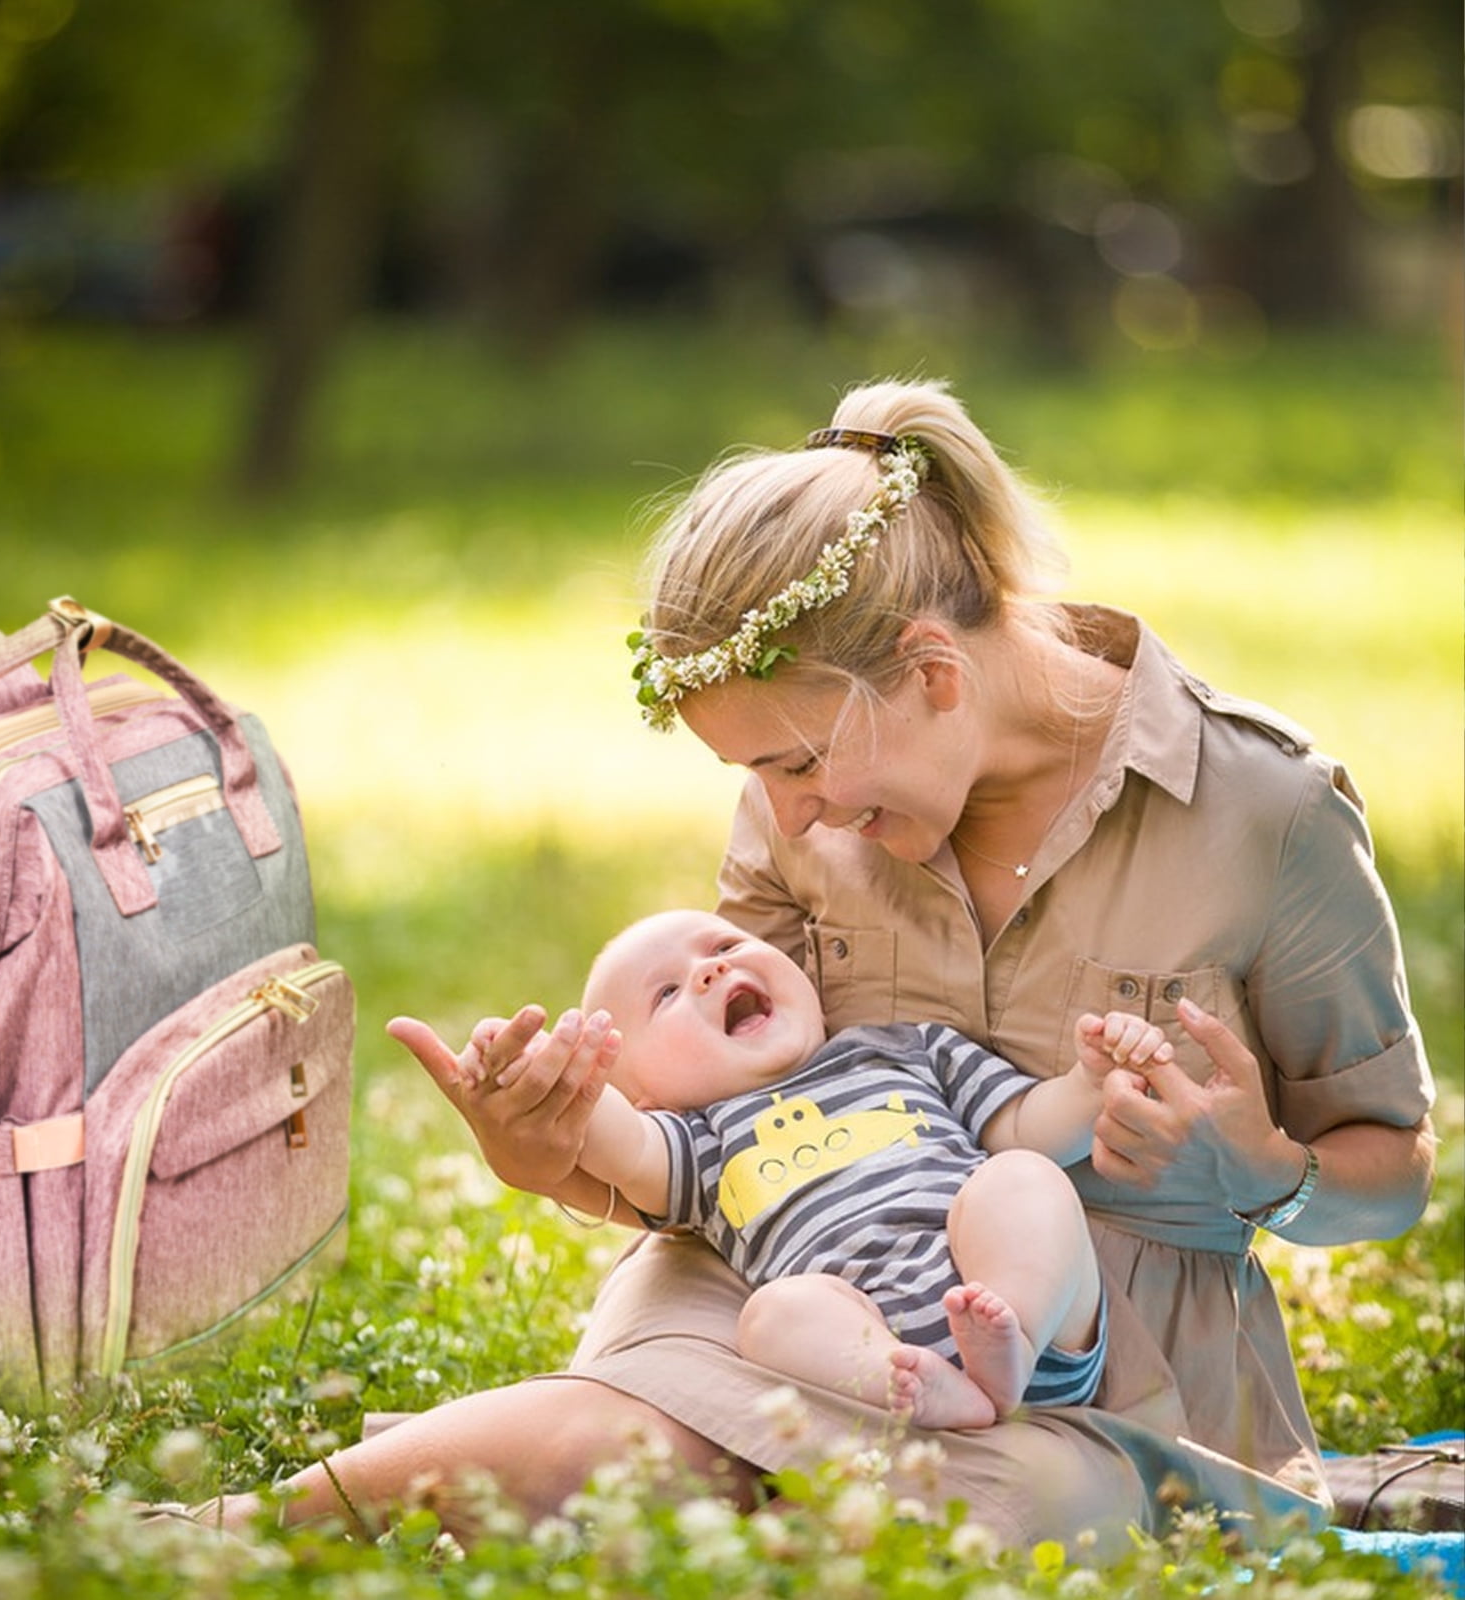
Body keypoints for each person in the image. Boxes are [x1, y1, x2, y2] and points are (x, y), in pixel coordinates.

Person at [207, 378, 1434, 1550]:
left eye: (794, 767)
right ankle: (222, 1533)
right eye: (756, 778)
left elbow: (1388, 1175)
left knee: (976, 1505)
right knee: (644, 1449)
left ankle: (558, 1474)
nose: (783, 818)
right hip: (794, 1298)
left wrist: (1259, 1170)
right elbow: (723, 1138)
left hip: (1093, 1366)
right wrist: (545, 1154)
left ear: (932, 674)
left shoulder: (1264, 812)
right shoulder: (807, 813)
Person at [468, 906, 1173, 1430]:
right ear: (644, 1096)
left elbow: (1028, 1128)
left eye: (723, 945)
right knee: (773, 1314)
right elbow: (621, 1144)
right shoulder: (701, 1141)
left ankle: (1009, 1337)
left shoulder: (904, 1050)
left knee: (1020, 1177)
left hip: (1032, 1325)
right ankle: (918, 1386)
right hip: (880, 1353)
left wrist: (1090, 1084)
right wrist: (562, 1081)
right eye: (667, 994)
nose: (710, 969)